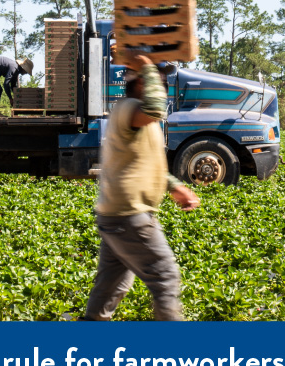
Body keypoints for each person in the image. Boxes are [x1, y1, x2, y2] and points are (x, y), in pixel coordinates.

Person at [81, 54, 200, 321]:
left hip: (117, 216)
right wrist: (146, 66)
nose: (163, 82)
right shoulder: (129, 109)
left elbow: (144, 161)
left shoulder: (139, 116)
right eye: (157, 77)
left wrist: (173, 186)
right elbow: (156, 108)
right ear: (140, 82)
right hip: (129, 216)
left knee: (112, 286)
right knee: (165, 276)